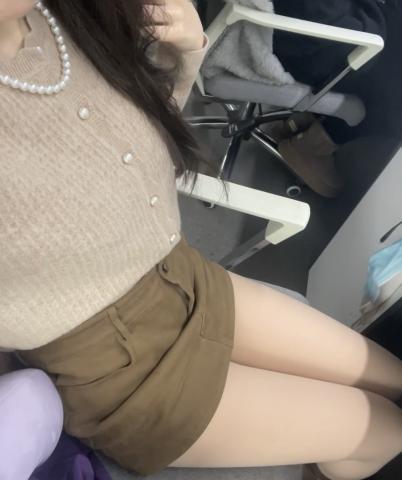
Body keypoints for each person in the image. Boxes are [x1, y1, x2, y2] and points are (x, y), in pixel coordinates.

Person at [0, 2, 402, 480]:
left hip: (180, 274)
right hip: (122, 374)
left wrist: (185, 53)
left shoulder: (61, 18)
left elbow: (144, 152)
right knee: (388, 428)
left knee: (394, 379)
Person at [271, 0, 402, 198]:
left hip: (307, 23)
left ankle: (311, 124)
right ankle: (312, 145)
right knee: (395, 98)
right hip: (307, 38)